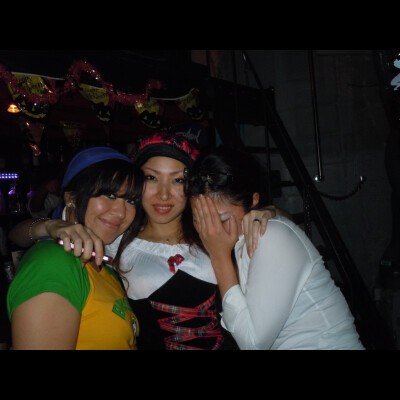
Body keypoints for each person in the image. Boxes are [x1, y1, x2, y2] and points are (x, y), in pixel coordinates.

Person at [10, 133, 278, 350]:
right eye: (151, 178)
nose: (164, 195)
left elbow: (277, 228)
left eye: (178, 180)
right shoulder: (116, 240)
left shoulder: (212, 230)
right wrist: (50, 225)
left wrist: (270, 213)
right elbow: (17, 235)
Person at [189, 146, 365, 350]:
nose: (211, 231)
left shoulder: (269, 235)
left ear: (253, 201)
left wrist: (218, 256)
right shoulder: (235, 240)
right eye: (200, 220)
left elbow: (252, 343)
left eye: (221, 220)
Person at [7, 147, 143, 350]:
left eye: (131, 201)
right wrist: (48, 225)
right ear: (72, 198)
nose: (121, 212)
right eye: (109, 195)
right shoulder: (54, 263)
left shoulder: (102, 263)